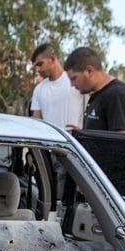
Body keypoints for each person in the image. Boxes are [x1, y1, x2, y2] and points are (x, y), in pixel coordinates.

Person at [29, 43, 83, 203]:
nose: (37, 69)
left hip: (69, 148)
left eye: (40, 64)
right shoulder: (39, 90)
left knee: (63, 199)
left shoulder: (74, 81)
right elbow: (36, 121)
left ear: (52, 59)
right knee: (45, 197)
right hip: (46, 150)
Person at [64, 46, 125, 133]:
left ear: (89, 71)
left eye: (74, 78)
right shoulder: (98, 95)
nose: (72, 85)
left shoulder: (117, 94)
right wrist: (83, 134)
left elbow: (123, 142)